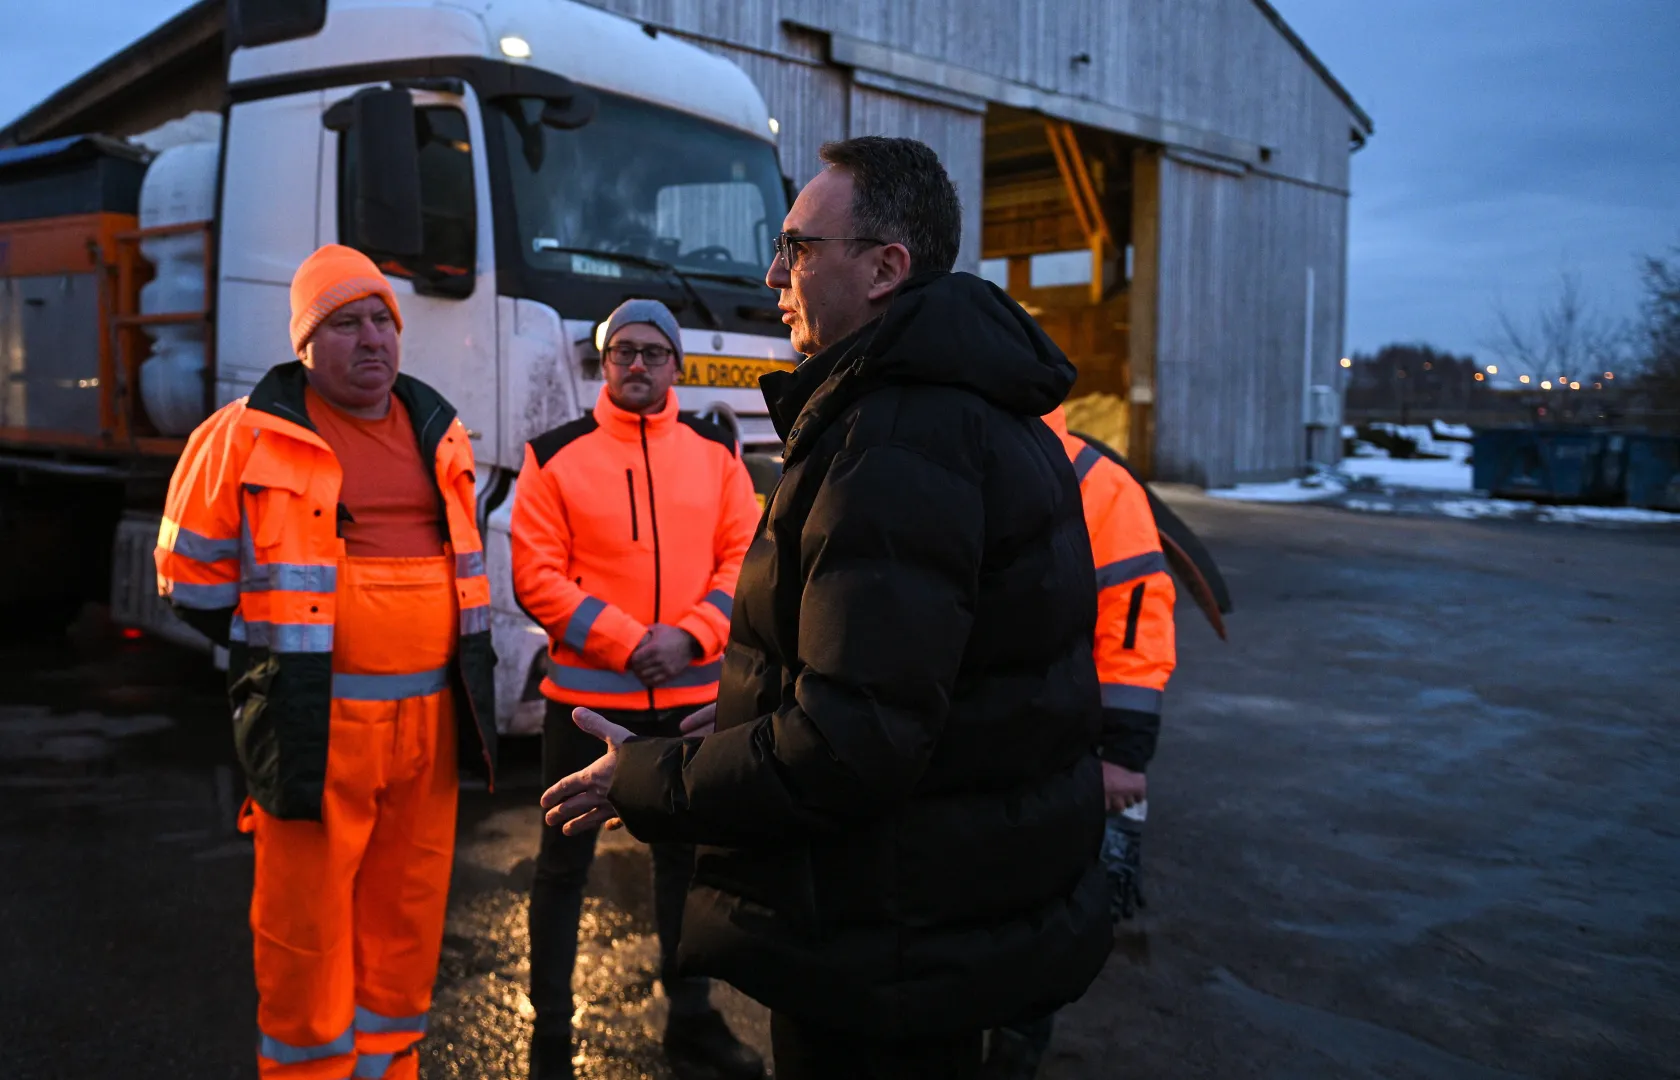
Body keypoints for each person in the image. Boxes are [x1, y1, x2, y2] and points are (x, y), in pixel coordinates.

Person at [540, 136, 1111, 1079]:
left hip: (885, 935)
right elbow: (923, 681)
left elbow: (852, 742)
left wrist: (644, 779)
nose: (773, 275)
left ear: (886, 268)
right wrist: (751, 711)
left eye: (798, 248)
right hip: (932, 914)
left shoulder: (897, 441)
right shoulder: (965, 409)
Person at [154, 244, 498, 1080]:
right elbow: (189, 582)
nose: (372, 337)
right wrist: (281, 660)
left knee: (406, 923)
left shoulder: (440, 428)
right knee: (303, 933)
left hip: (429, 727)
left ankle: (389, 1069)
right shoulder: (241, 435)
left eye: (383, 319)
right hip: (314, 725)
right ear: (305, 344)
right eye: (346, 323)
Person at [510, 298, 764, 1080]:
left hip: (689, 705)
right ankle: (551, 1036)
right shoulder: (554, 454)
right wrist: (628, 641)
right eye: (623, 351)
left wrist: (688, 636)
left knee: (686, 866)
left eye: (654, 352)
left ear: (676, 366)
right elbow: (535, 573)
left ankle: (690, 1017)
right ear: (605, 362)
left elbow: (744, 557)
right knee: (562, 869)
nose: (638, 365)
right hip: (587, 705)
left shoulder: (716, 456)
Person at [980, 406, 1179, 1079]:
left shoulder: (1097, 483)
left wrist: (1124, 753)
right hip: (966, 755)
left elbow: (1133, 620)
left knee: (1036, 919)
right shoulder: (944, 453)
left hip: (1057, 749)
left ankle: (1015, 1055)